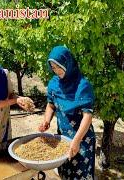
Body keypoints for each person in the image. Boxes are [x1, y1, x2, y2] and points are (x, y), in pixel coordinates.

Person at [39, 46, 95, 179]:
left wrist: (76, 141)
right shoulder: (54, 83)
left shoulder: (82, 85)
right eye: (53, 67)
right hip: (62, 137)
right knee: (65, 171)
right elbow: (51, 105)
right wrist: (46, 121)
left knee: (80, 173)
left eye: (59, 66)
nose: (56, 71)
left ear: (68, 64)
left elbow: (87, 116)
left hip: (82, 139)